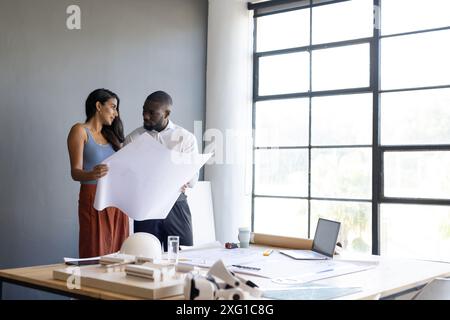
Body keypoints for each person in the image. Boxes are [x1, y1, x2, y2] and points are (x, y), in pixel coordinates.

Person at [124, 90, 198, 250]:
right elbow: (127, 176)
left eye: (152, 113)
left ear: (167, 113)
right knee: (145, 258)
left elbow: (192, 181)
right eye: (144, 110)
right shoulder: (132, 139)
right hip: (146, 207)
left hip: (176, 206)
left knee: (184, 257)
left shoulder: (186, 138)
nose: (145, 116)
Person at [67, 88, 129, 258]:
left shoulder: (113, 136)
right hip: (93, 197)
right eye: (113, 107)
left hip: (117, 200)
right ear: (98, 106)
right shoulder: (79, 131)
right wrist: (92, 174)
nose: (116, 113)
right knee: (95, 250)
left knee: (119, 252)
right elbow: (75, 172)